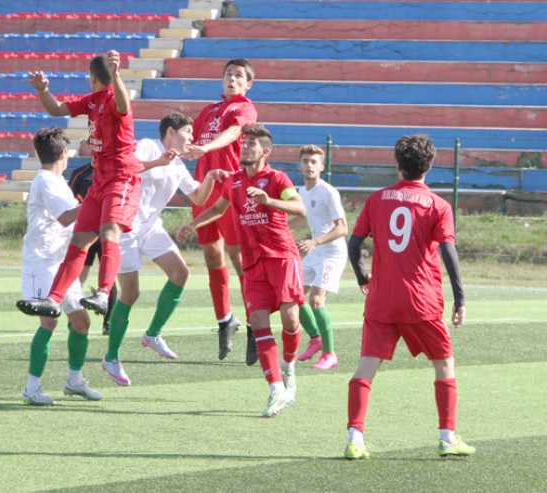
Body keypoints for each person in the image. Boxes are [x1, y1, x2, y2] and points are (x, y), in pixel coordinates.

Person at [344, 134, 475, 459]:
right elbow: (448, 250)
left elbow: (354, 244)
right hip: (422, 301)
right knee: (444, 365)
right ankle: (447, 438)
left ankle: (354, 440)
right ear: (429, 166)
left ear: (398, 164)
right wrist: (460, 298)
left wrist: (363, 277)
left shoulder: (376, 200)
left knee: (365, 369)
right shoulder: (439, 205)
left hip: (382, 299)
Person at [178, 124, 306, 417]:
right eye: (243, 143)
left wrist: (269, 201)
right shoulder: (234, 181)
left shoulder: (277, 178)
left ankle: (289, 367)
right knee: (258, 320)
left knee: (290, 317)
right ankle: (275, 389)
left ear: (266, 151)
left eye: (251, 144)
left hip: (282, 256)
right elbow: (218, 208)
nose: (244, 147)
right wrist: (193, 223)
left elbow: (300, 208)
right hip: (253, 263)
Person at [16, 50, 147, 320]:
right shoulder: (92, 101)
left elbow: (123, 106)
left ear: (92, 77)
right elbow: (56, 109)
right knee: (79, 240)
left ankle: (102, 292)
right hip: (100, 182)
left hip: (121, 179)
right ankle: (54, 299)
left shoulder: (113, 97)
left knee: (109, 231)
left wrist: (118, 75)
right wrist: (43, 90)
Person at [101, 113, 227, 386]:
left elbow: (198, 197)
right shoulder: (148, 146)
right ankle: (111, 358)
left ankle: (152, 334)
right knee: (131, 293)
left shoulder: (179, 165)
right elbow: (123, 167)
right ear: (171, 132)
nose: (192, 138)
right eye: (188, 132)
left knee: (181, 273)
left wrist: (212, 177)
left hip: (150, 227)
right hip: (126, 227)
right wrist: (157, 161)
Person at [20, 127, 102, 405]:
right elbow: (67, 218)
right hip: (42, 262)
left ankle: (74, 382)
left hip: (61, 261)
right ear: (64, 154)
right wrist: (97, 199)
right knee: (49, 320)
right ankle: (32, 387)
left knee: (81, 321)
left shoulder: (57, 181)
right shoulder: (45, 181)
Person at [185, 59, 258, 363]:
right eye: (228, 74)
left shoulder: (244, 108)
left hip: (230, 189)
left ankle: (256, 325)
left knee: (239, 259)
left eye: (238, 75)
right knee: (212, 256)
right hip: (204, 189)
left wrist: (207, 148)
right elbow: (192, 137)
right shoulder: (208, 110)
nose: (232, 78)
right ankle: (225, 320)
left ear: (247, 84)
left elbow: (233, 133)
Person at [289, 145, 348, 370]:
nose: (309, 165)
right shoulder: (301, 192)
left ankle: (329, 354)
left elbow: (342, 228)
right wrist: (279, 229)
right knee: (294, 296)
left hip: (331, 253)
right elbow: (303, 218)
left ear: (322, 166)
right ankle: (315, 339)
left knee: (315, 300)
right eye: (305, 161)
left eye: (314, 162)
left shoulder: (328, 192)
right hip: (315, 252)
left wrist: (315, 241)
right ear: (300, 165)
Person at [67, 160, 118, 335]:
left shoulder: (112, 174)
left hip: (105, 233)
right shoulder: (80, 174)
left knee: (108, 278)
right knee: (78, 275)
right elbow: (70, 200)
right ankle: (74, 314)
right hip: (86, 232)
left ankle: (109, 322)